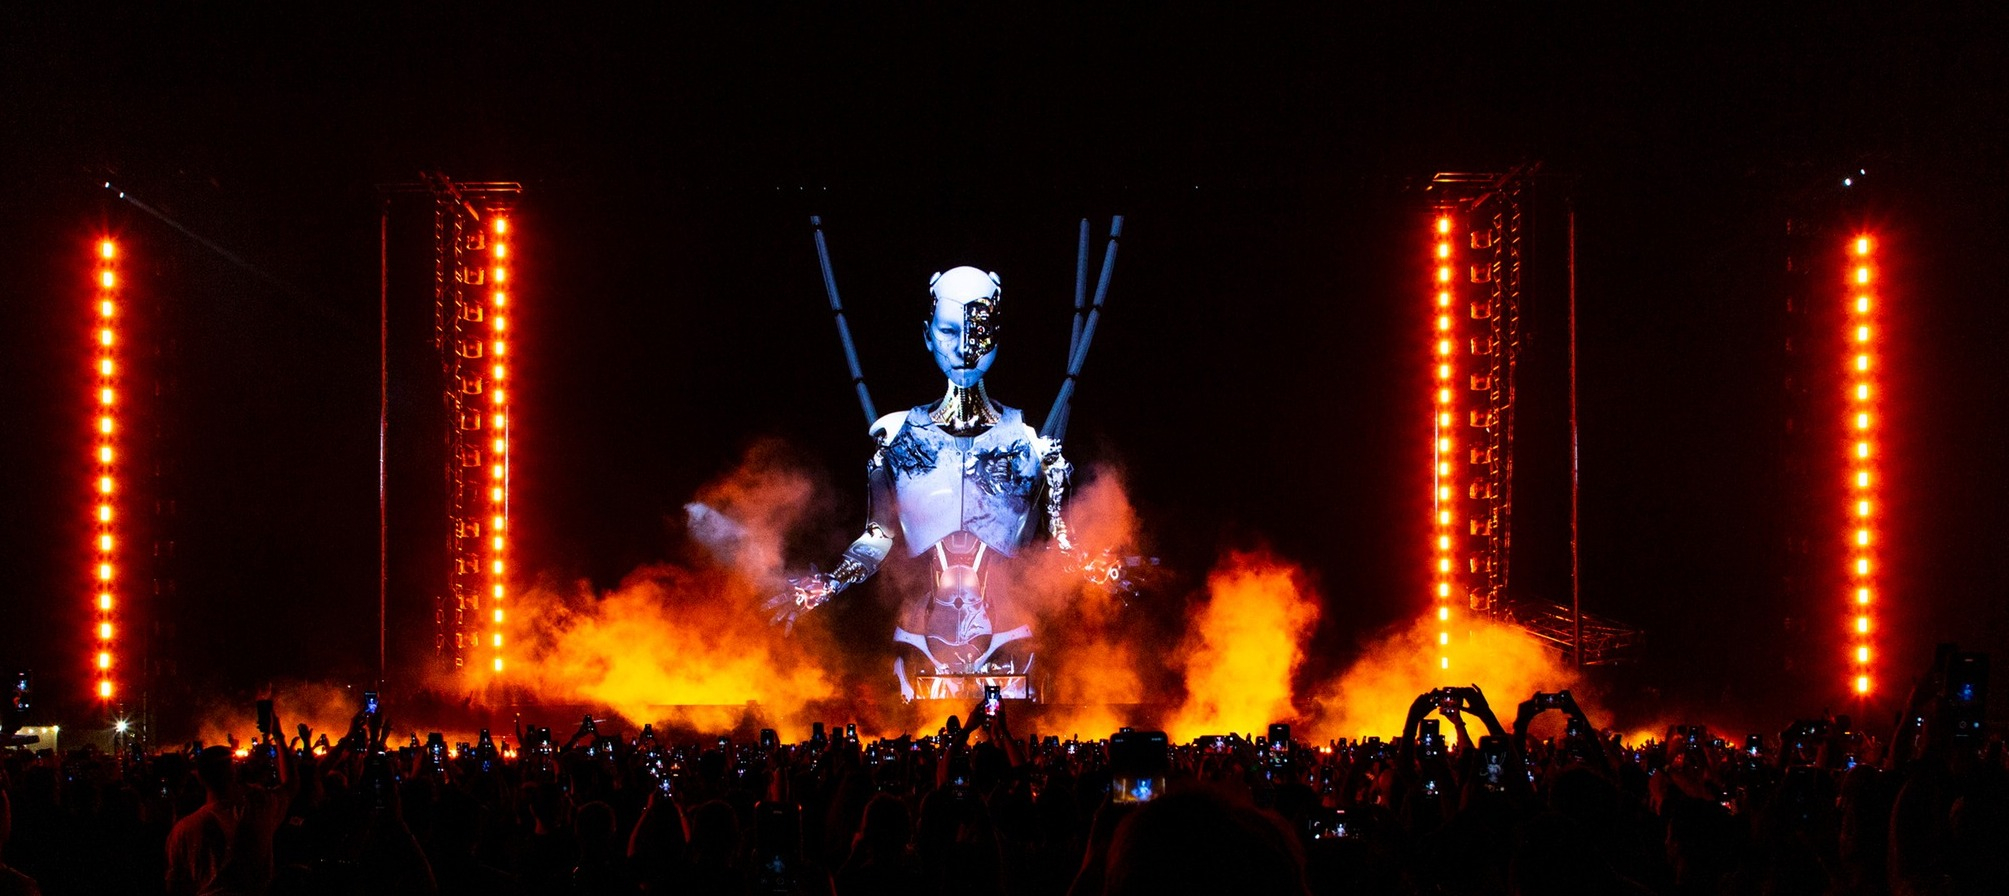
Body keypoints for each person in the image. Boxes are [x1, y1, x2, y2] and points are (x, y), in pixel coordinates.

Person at [770, 266, 1078, 701]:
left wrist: (1101, 564)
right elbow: (878, 536)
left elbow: (1060, 546)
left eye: (979, 331)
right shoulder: (897, 436)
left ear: (996, 335)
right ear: (928, 335)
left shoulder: (1029, 442)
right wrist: (830, 581)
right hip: (920, 640)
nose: (965, 348)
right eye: (950, 331)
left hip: (1009, 638)